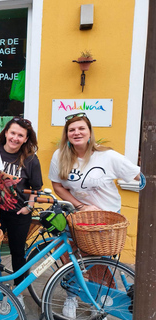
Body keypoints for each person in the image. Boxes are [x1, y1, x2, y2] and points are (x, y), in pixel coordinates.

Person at [48, 112, 140, 318]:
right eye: (72, 130)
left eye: (81, 128)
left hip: (106, 218)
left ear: (90, 133)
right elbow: (57, 185)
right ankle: (72, 297)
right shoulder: (60, 156)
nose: (76, 132)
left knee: (99, 263)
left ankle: (103, 304)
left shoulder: (108, 156)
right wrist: (80, 206)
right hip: (78, 215)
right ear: (67, 134)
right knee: (70, 258)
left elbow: (139, 175)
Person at [0, 116, 42, 309]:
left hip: (18, 213)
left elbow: (36, 188)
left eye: (20, 135)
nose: (15, 138)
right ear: (6, 132)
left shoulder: (30, 160)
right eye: (12, 133)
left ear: (25, 139)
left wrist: (28, 207)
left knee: (17, 253)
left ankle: (18, 292)